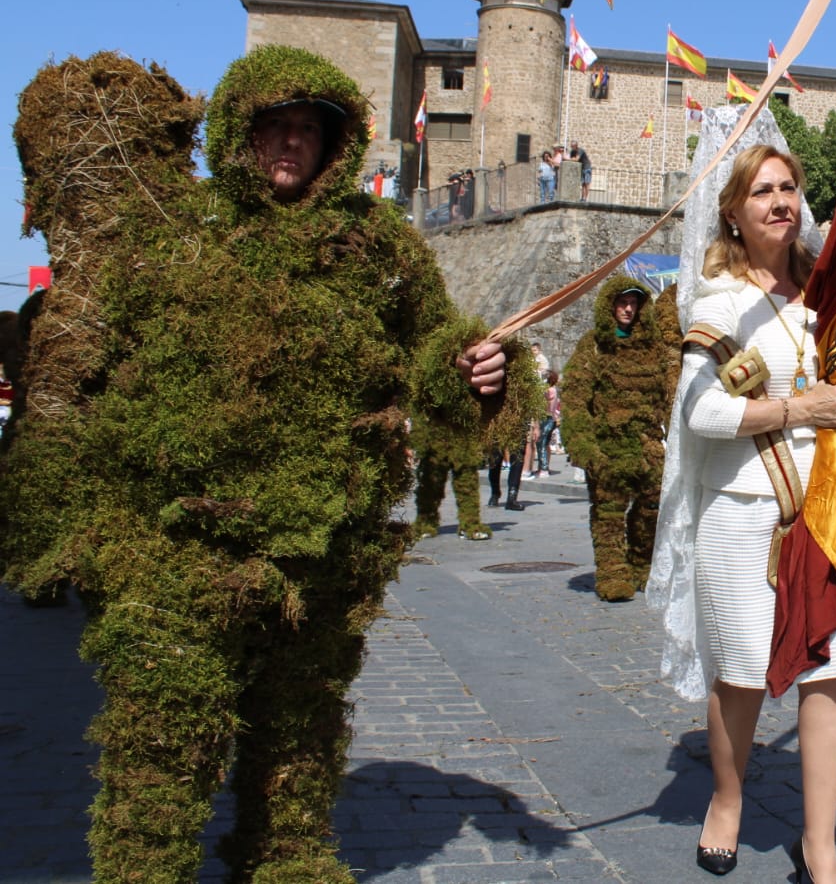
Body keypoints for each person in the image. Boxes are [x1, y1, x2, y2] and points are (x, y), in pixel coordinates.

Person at [0, 47, 508, 881]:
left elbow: (430, 353)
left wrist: (473, 372)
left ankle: (285, 859)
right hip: (179, 548)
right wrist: (65, 525)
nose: (288, 144)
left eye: (307, 129)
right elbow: (86, 369)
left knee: (300, 735)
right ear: (238, 130)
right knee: (161, 752)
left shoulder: (378, 248)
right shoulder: (175, 236)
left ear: (335, 143)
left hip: (328, 551)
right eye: (272, 125)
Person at [649, 142, 836, 884]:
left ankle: (819, 844)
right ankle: (726, 799)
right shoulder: (717, 304)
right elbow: (701, 413)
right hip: (743, 511)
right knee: (743, 673)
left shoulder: (834, 294)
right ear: (733, 212)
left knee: (833, 672)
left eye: (789, 188)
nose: (780, 201)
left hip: (833, 504)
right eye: (762, 192)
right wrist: (796, 406)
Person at [561, 276, 673, 602]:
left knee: (652, 508)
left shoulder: (654, 350)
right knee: (608, 514)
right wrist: (583, 445)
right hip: (609, 447)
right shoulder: (593, 345)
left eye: (633, 303)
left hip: (649, 446)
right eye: (622, 303)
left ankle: (642, 565)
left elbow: (669, 395)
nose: (627, 309)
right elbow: (576, 398)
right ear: (610, 305)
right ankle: (612, 572)